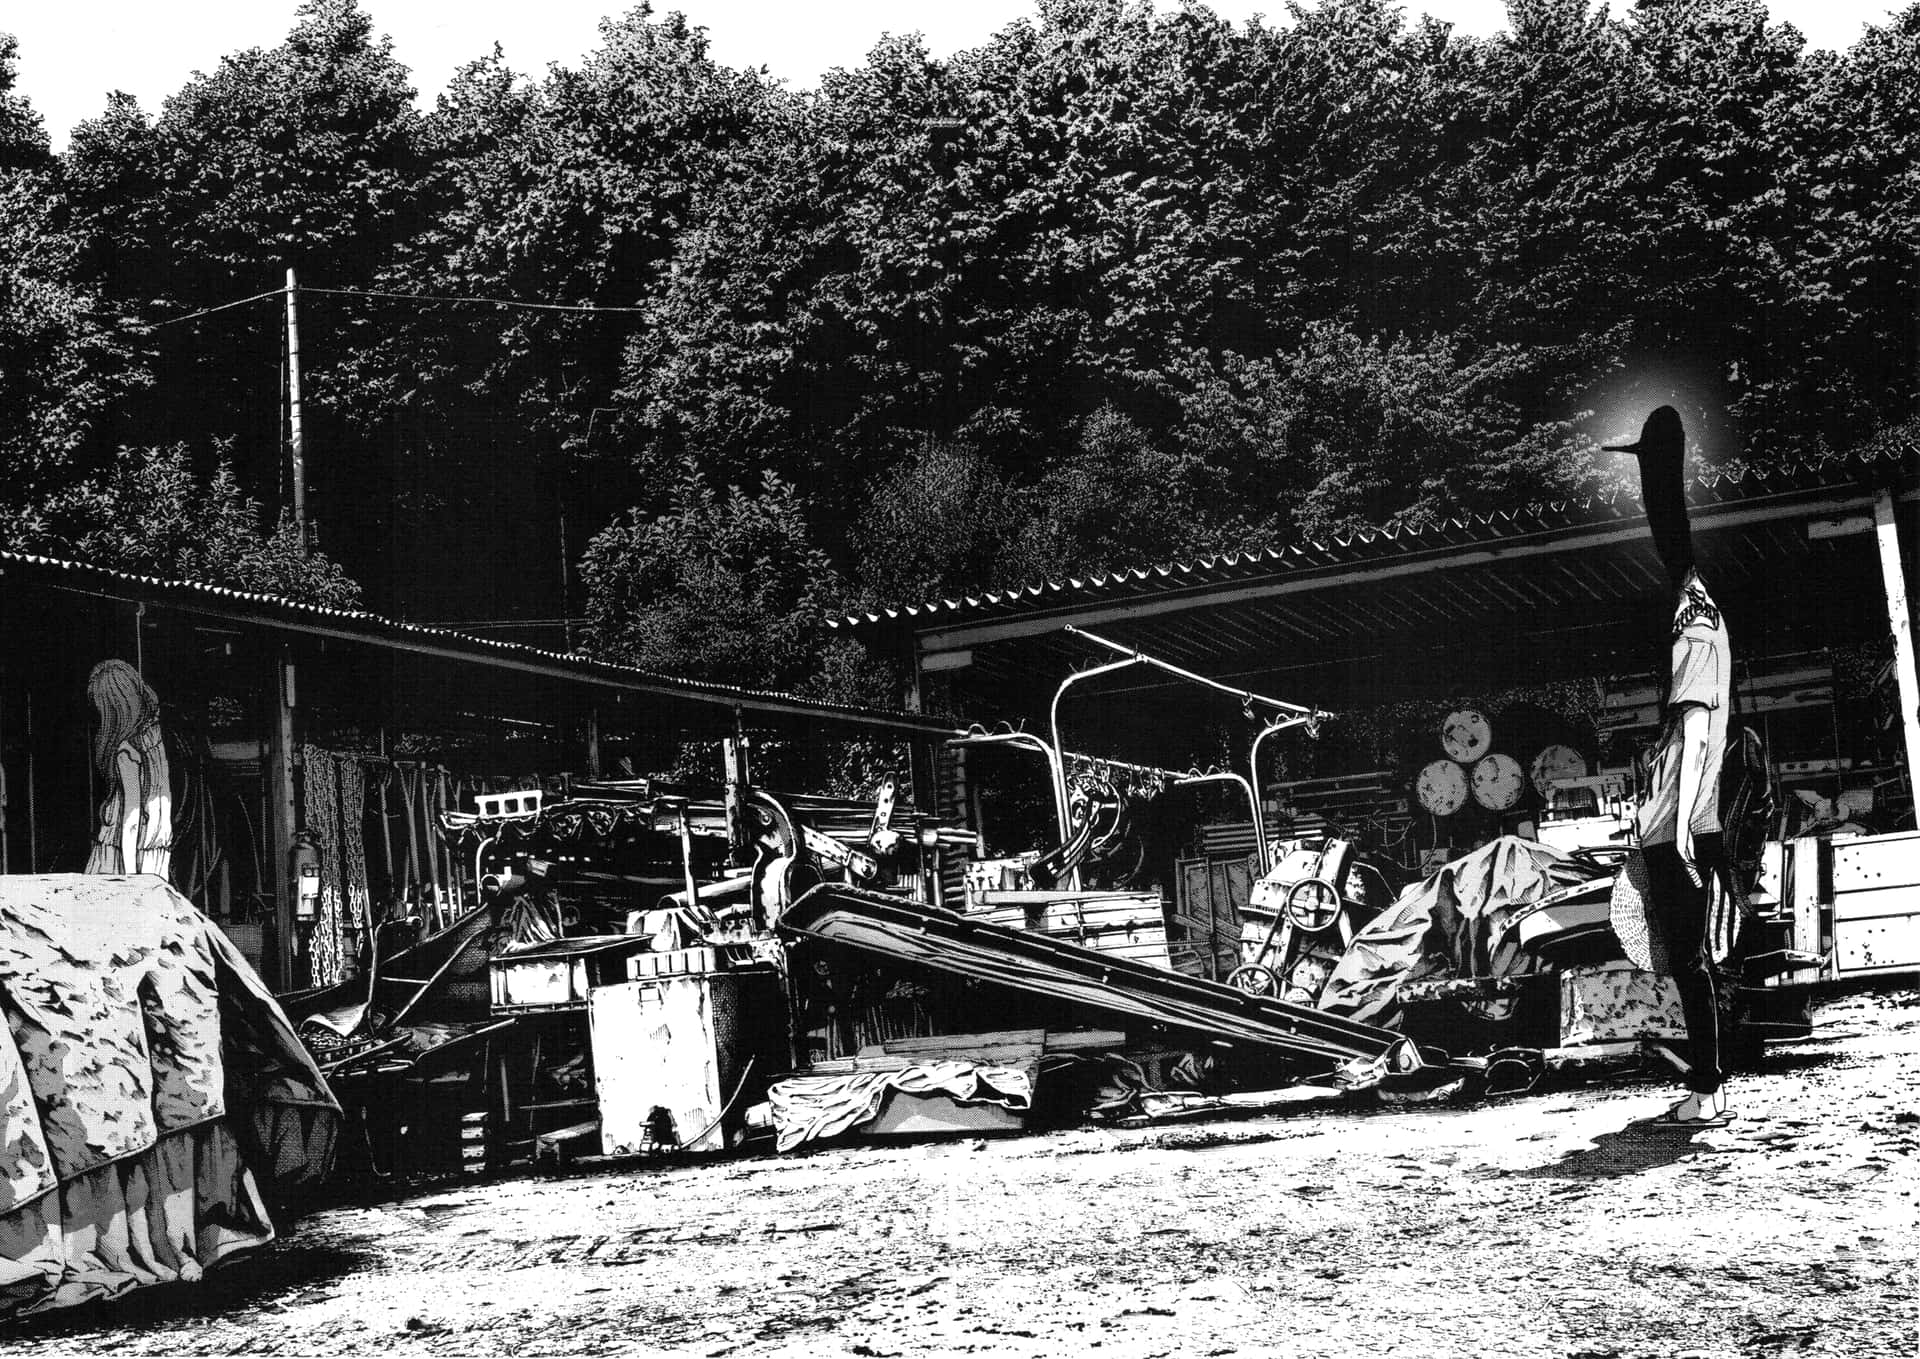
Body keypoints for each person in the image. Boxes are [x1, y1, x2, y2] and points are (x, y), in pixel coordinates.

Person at [1604, 406, 1734, 1125]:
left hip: (1682, 825)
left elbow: (1696, 726)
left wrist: (1679, 827)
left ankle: (1708, 1093)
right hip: (1684, 819)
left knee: (1688, 961)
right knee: (1690, 960)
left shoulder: (1693, 619)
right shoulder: (1702, 613)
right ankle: (1709, 1087)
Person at [83, 659, 174, 881]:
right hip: (155, 850)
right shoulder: (155, 738)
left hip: (120, 858)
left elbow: (131, 818)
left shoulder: (127, 752)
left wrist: (131, 879)